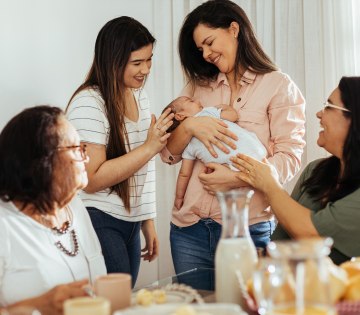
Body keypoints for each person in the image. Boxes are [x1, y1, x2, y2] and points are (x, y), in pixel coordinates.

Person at [160, 0, 306, 277]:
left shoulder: (278, 86)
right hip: (189, 230)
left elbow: (289, 159)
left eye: (209, 42)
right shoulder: (197, 88)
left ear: (234, 29)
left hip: (249, 228)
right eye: (200, 49)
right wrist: (190, 126)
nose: (205, 54)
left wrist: (238, 176)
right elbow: (169, 155)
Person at [66, 16, 174, 286]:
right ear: (113, 60)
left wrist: (147, 219)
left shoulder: (139, 95)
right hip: (100, 218)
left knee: (125, 300)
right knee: (119, 302)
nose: (146, 70)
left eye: (149, 60)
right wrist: (150, 147)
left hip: (130, 221)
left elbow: (142, 166)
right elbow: (91, 180)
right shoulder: (89, 103)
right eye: (137, 63)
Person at [231, 76, 360, 265]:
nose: (319, 114)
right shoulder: (315, 170)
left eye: (330, 106)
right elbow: (279, 241)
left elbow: (311, 233)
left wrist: (269, 184)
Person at [0, 106, 106, 314]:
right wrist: (38, 306)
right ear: (42, 160)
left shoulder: (76, 207)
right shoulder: (4, 224)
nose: (87, 158)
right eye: (77, 149)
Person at [162, 96, 266, 209]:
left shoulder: (188, 147)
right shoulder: (207, 112)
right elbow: (233, 116)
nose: (198, 100)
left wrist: (179, 198)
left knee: (218, 170)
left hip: (237, 166)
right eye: (191, 101)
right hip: (257, 151)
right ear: (180, 116)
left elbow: (184, 174)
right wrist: (226, 108)